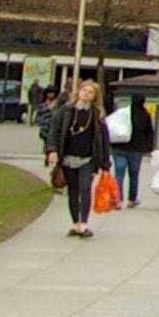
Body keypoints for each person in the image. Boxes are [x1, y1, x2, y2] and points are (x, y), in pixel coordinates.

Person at [53, 86, 104, 237]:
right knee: (73, 191)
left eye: (90, 92)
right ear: (78, 92)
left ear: (94, 97)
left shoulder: (96, 115)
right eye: (84, 90)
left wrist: (104, 162)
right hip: (68, 157)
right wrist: (52, 150)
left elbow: (103, 139)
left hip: (87, 159)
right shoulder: (66, 111)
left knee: (85, 188)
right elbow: (54, 130)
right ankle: (75, 223)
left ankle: (84, 224)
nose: (86, 94)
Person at [103, 87, 143, 210]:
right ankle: (132, 199)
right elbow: (148, 134)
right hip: (136, 149)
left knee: (119, 174)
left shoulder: (122, 113)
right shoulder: (144, 115)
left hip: (119, 148)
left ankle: (117, 199)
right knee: (134, 175)